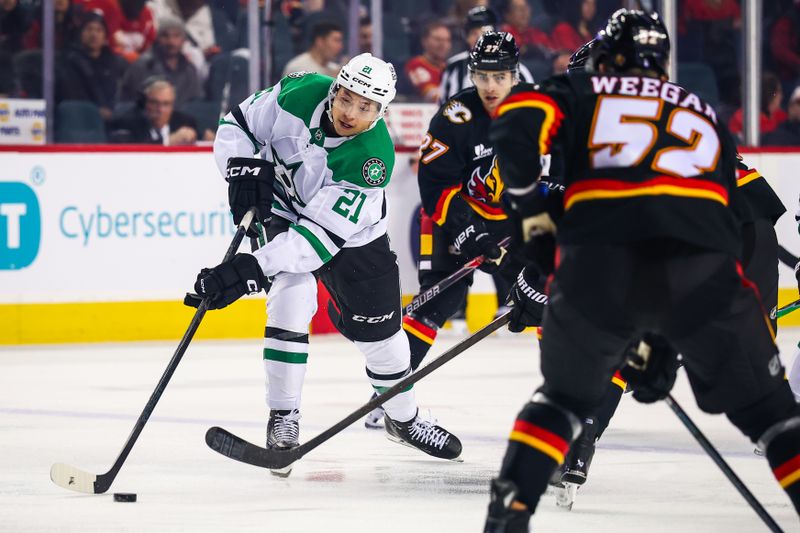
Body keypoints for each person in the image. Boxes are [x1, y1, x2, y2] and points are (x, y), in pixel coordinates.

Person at [483, 10, 800, 531]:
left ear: (607, 58)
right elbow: (707, 228)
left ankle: (509, 514)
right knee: (776, 417)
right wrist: (669, 337)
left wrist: (533, 220)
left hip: (601, 266)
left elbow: (515, 125)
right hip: (711, 271)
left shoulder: (586, 92)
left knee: (560, 400)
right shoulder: (705, 114)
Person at [185, 54, 463, 477]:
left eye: (366, 107)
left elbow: (313, 243)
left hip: (352, 239)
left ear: (381, 112)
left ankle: (403, 420)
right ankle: (283, 418)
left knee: (384, 339)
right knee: (290, 300)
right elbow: (236, 125)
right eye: (347, 98)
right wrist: (240, 168)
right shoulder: (298, 91)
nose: (351, 113)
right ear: (335, 89)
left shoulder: (372, 159)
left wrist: (244, 271)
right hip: (282, 209)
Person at [363, 32, 526, 429]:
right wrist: (470, 235)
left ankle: (581, 397)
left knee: (545, 300)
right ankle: (388, 395)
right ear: (472, 75)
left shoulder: (538, 111)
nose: (490, 86)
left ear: (514, 77)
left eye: (500, 76)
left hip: (513, 224)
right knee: (437, 304)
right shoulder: (455, 117)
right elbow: (436, 187)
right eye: (483, 76)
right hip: (454, 220)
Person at [439, 6, 534, 104]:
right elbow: (443, 108)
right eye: (473, 33)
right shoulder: (453, 67)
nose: (479, 38)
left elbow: (530, 107)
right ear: (466, 38)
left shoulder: (518, 70)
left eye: (485, 33)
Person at [56, 10, 128, 122]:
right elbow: (72, 94)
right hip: (81, 119)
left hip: (113, 118)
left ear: (105, 36)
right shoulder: (69, 60)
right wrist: (95, 110)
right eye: (89, 29)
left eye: (99, 30)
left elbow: (119, 91)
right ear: (80, 33)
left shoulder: (114, 61)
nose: (94, 34)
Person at [119, 16, 201, 107]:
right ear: (157, 38)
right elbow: (127, 104)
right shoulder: (142, 66)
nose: (171, 41)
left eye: (176, 36)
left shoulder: (189, 70)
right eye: (165, 36)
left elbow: (196, 104)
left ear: (183, 40)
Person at [108, 78, 201, 144]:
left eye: (166, 104)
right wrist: (167, 141)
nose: (160, 109)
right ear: (145, 104)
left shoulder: (185, 122)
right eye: (154, 103)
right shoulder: (129, 125)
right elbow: (137, 152)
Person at [404, 21, 452, 103]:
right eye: (438, 39)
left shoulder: (450, 68)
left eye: (447, 40)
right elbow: (433, 95)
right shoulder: (415, 64)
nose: (443, 44)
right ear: (424, 41)